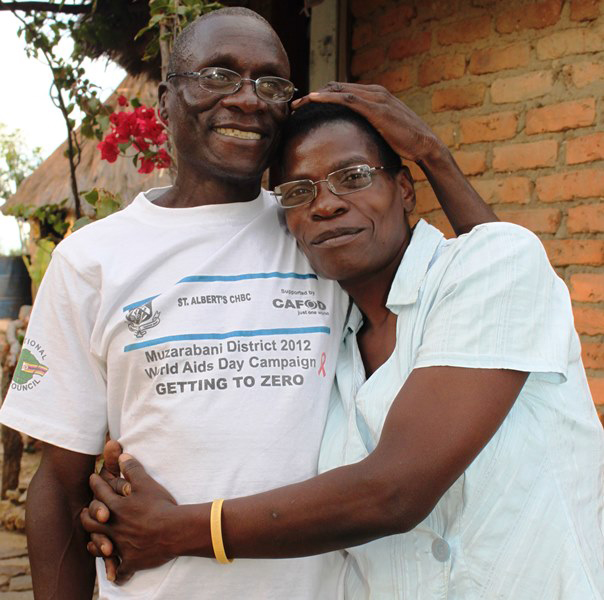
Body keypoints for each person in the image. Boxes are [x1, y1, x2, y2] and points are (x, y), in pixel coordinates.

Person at [0, 8, 497, 600]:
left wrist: (431, 152)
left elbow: (490, 274)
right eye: (217, 75)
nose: (246, 99)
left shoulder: (318, 228)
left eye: (270, 83)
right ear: (163, 102)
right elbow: (59, 485)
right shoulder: (92, 261)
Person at [82, 92, 604, 599]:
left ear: (404, 189)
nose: (326, 204)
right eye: (298, 192)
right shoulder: (330, 347)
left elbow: (395, 492)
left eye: (352, 177)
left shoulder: (494, 268)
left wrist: (175, 530)